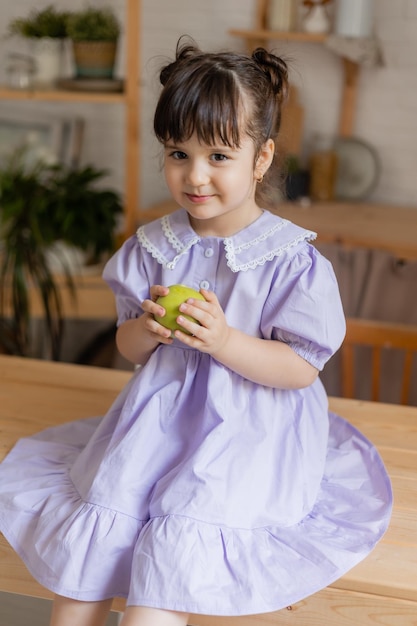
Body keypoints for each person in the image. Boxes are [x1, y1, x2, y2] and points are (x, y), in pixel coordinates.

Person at [0, 38, 392, 626]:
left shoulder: (290, 261)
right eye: (178, 153)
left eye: (218, 156)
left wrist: (226, 342)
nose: (195, 175)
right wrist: (149, 329)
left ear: (261, 159)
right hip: (158, 422)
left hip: (248, 431)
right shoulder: (155, 246)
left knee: (160, 587)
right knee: (82, 574)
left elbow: (300, 369)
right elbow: (126, 346)